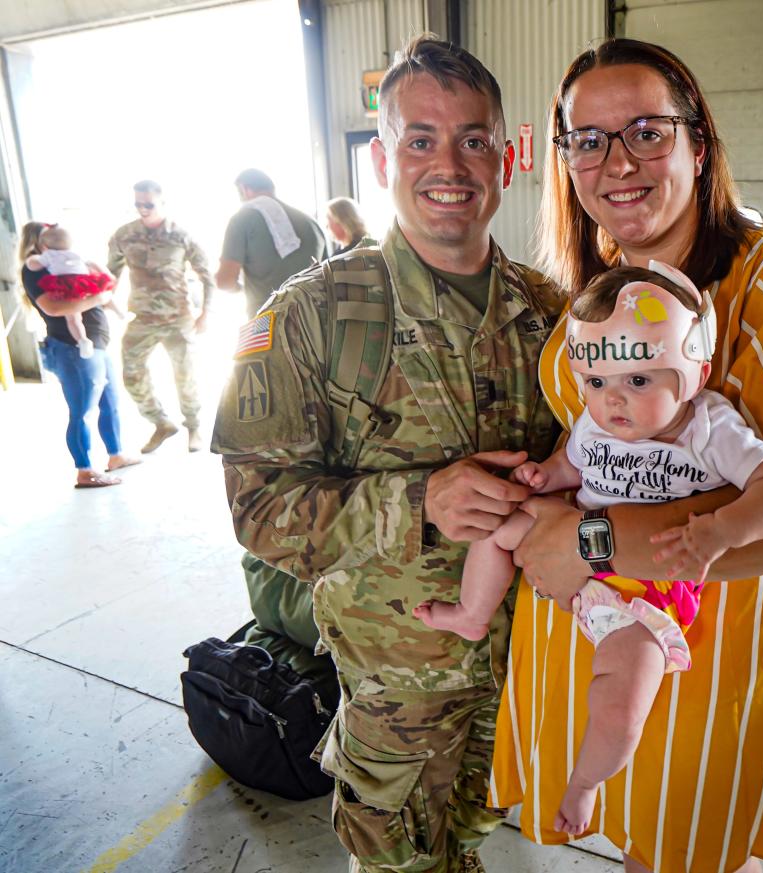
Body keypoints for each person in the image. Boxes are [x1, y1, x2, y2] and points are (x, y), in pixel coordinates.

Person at [489, 39, 763, 873]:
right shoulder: (606, 285)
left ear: (698, 143)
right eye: (587, 140)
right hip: (612, 630)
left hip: (726, 639)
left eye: (646, 131)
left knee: (690, 839)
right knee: (647, 832)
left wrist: (584, 541)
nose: (617, 162)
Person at [210, 36, 561, 873]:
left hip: (528, 673)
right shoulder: (310, 318)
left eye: (474, 139)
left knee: (471, 847)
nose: (450, 164)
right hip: (398, 698)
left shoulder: (551, 312)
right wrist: (416, 503)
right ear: (381, 158)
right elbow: (257, 509)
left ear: (505, 159)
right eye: (420, 139)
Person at [416, 262, 763, 835]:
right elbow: (572, 464)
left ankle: (585, 785)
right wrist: (543, 478)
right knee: (498, 526)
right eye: (597, 384)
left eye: (640, 381)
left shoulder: (709, 429)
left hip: (646, 593)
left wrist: (723, 531)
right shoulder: (595, 422)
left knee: (620, 704)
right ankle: (472, 614)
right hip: (573, 554)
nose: (613, 401)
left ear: (693, 374)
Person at [20, 221, 139, 488]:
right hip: (73, 348)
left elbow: (104, 282)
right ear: (42, 244)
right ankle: (84, 470)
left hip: (97, 344)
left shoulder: (72, 262)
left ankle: (115, 455)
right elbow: (53, 308)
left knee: (110, 402)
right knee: (82, 410)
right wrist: (98, 298)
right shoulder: (35, 269)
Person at [107, 180, 213, 454]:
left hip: (178, 317)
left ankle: (194, 427)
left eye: (149, 204)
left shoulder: (181, 236)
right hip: (142, 318)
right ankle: (161, 422)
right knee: (131, 373)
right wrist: (104, 301)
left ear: (162, 203)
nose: (143, 209)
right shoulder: (124, 235)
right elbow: (110, 275)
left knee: (185, 375)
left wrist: (205, 313)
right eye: (138, 204)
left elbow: (206, 276)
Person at [215, 168, 328, 317]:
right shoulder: (311, 223)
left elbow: (224, 281)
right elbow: (327, 275)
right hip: (314, 323)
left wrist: (242, 288)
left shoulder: (242, 218)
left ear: (244, 189)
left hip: (267, 325)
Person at [25, 224, 121, 359]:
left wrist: (32, 260)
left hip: (69, 290)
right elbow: (54, 309)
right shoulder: (74, 254)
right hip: (70, 346)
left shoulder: (48, 257)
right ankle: (118, 312)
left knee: (74, 319)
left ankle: (83, 340)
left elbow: (33, 264)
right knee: (101, 294)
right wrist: (100, 295)